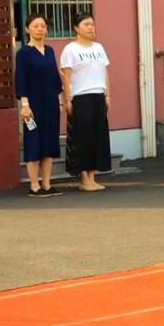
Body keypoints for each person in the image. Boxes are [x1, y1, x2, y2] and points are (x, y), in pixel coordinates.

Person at [60, 12, 112, 192]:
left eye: (92, 24)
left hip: (98, 95)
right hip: (80, 97)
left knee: (97, 137)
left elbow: (105, 72)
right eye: (86, 25)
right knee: (83, 137)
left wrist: (107, 95)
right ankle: (83, 178)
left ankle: (92, 177)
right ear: (76, 28)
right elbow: (65, 76)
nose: (91, 28)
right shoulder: (70, 49)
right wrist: (67, 99)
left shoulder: (99, 47)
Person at [15, 13, 64, 197]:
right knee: (33, 141)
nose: (40, 29)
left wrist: (60, 100)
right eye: (35, 26)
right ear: (27, 29)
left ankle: (47, 184)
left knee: (49, 142)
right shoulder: (23, 53)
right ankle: (34, 186)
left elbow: (55, 77)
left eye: (43, 26)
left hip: (50, 103)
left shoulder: (50, 51)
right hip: (32, 106)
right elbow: (21, 79)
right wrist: (25, 105)